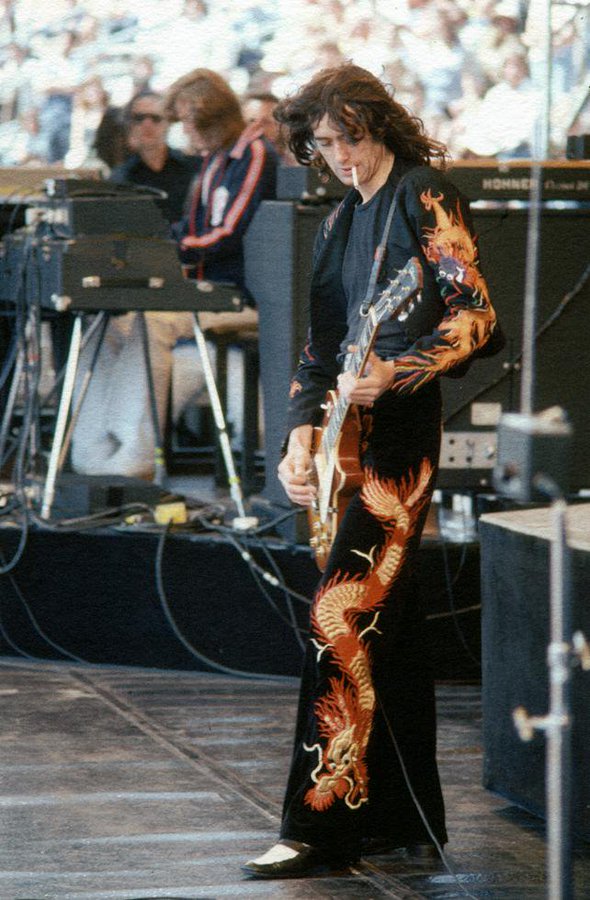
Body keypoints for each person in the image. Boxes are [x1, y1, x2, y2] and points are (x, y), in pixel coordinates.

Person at [242, 63, 503, 879]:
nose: (341, 158)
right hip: (345, 444)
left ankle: (319, 826)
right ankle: (405, 819)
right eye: (324, 145)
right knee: (388, 634)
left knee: (337, 617)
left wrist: (403, 369)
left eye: (349, 139)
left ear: (378, 126)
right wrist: (296, 436)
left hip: (399, 447)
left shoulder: (426, 194)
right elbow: (318, 353)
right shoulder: (337, 225)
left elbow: (479, 320)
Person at [110, 89, 201, 224]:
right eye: (139, 118)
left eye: (156, 118)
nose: (147, 125)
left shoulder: (194, 168)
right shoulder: (119, 178)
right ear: (130, 125)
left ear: (168, 122)